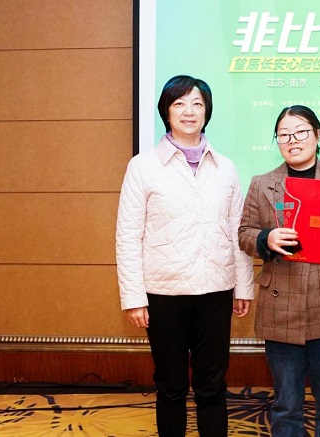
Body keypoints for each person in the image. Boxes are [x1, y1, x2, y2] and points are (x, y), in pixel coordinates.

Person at [115, 74, 254, 437]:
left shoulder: (226, 167)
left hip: (215, 291)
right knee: (171, 385)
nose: (189, 111)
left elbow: (237, 231)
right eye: (179, 103)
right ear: (166, 111)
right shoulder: (142, 166)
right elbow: (127, 235)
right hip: (164, 294)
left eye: (197, 104)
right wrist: (134, 297)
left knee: (212, 385)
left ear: (207, 112)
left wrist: (243, 287)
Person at [238, 105, 320, 435]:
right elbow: (244, 233)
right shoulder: (261, 184)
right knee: (285, 406)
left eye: (300, 132)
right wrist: (266, 238)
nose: (292, 140)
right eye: (284, 135)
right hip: (280, 305)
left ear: (317, 134)